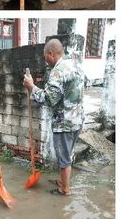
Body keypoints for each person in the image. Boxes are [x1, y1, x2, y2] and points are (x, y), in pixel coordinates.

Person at [23, 38, 85, 196]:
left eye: (45, 57)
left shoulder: (57, 71)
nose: (45, 61)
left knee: (64, 158)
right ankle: (63, 181)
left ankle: (65, 189)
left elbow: (49, 99)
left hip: (64, 122)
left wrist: (32, 87)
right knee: (67, 154)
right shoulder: (74, 65)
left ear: (51, 54)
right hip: (77, 119)